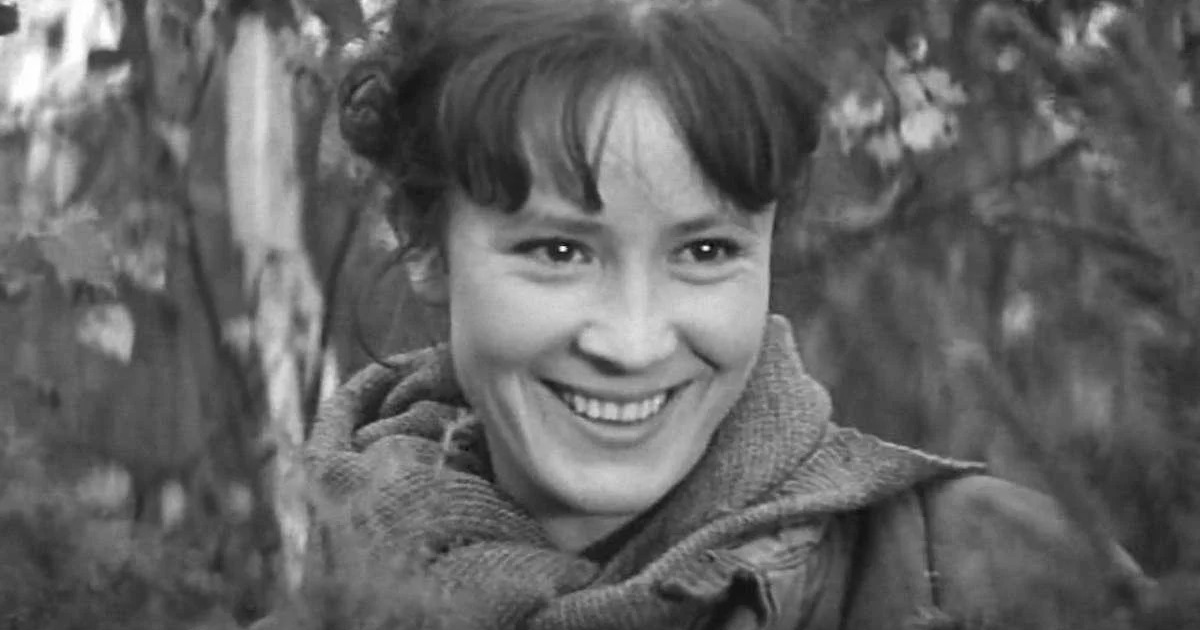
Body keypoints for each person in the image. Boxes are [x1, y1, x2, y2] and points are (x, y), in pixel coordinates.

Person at [271, 0, 1148, 628]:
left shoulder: (1004, 577)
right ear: (425, 243)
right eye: (560, 251)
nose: (633, 341)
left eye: (704, 251)